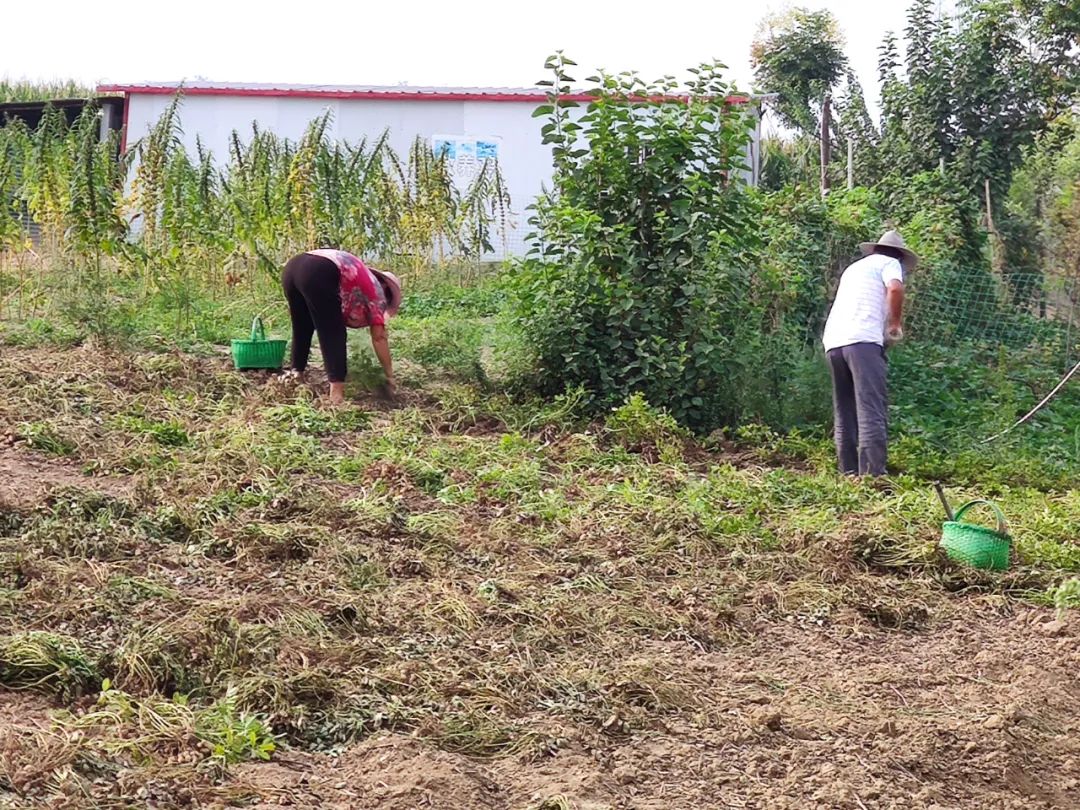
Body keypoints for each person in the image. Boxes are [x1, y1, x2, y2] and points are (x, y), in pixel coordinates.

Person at [822, 230, 917, 477]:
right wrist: (895, 324)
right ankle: (873, 475)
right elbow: (895, 290)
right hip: (862, 342)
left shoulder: (855, 268)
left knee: (844, 408)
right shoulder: (890, 264)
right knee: (871, 406)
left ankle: (849, 472)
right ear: (899, 255)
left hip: (834, 342)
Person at [281, 249, 401, 405]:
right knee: (333, 332)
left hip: (292, 268)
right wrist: (389, 375)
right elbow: (379, 337)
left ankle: (295, 377)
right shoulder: (377, 291)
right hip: (317, 269)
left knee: (303, 326)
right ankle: (336, 395)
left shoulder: (360, 276)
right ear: (385, 288)